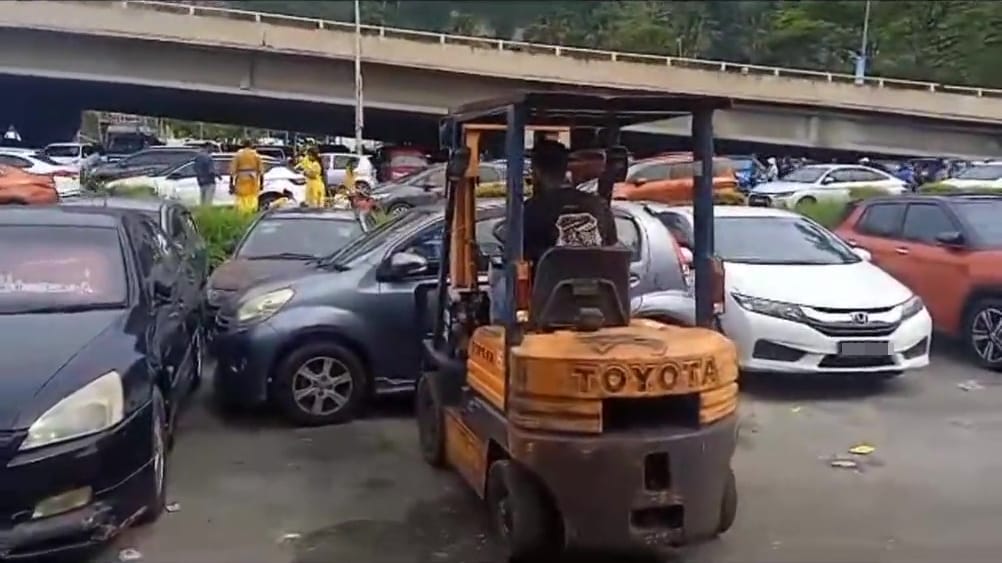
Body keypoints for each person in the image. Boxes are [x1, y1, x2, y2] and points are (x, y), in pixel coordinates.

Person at [490, 140, 618, 322]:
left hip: (549, 301)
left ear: (537, 172)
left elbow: (517, 250)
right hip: (600, 298)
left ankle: (504, 330)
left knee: (501, 274)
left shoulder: (531, 210)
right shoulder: (599, 206)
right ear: (565, 168)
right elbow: (611, 245)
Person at [229, 139, 263, 214]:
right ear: (251, 145)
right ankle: (251, 212)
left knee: (241, 199)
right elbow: (261, 172)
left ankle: (242, 213)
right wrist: (261, 184)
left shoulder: (238, 155)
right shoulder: (256, 155)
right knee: (252, 198)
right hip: (253, 181)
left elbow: (232, 172)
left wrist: (231, 184)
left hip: (241, 180)